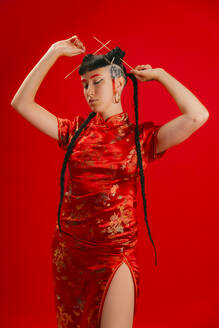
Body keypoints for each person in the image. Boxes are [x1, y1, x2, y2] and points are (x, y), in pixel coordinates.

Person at [11, 35, 209, 328]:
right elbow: (21, 103)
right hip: (70, 253)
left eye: (97, 81)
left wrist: (161, 75)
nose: (89, 91)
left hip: (115, 254)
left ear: (119, 84)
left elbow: (197, 116)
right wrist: (53, 51)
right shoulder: (74, 131)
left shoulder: (140, 140)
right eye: (85, 84)